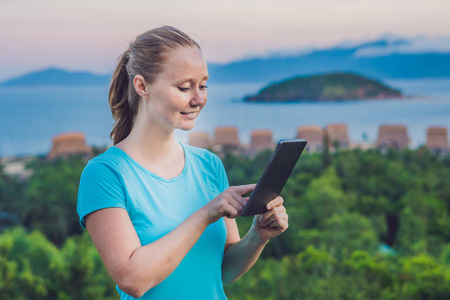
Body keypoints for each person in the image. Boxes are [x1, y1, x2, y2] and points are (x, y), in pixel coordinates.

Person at [77, 25, 289, 299]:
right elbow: (133, 279)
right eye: (184, 87)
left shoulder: (209, 165)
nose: (199, 99)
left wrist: (258, 236)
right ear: (142, 86)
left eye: (203, 85)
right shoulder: (104, 174)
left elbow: (225, 270)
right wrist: (204, 214)